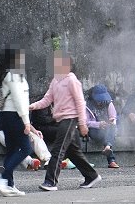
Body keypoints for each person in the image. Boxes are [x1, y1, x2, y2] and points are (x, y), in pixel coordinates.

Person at [31, 52, 100, 191]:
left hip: (69, 119)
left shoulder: (72, 80)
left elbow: (80, 102)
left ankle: (50, 181)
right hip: (61, 119)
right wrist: (32, 106)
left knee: (58, 149)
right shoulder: (55, 81)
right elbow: (47, 99)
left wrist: (82, 123)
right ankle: (92, 176)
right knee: (72, 151)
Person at [0, 48, 42, 197]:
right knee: (25, 149)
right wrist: (26, 122)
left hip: (7, 116)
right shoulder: (14, 75)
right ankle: (3, 178)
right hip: (15, 116)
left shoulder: (8, 75)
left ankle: (9, 183)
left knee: (12, 150)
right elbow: (20, 100)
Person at [86, 84, 118, 168]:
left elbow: (113, 117)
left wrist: (111, 121)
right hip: (93, 129)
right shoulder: (87, 104)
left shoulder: (108, 102)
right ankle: (111, 160)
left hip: (106, 128)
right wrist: (98, 124)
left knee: (111, 128)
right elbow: (85, 122)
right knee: (106, 134)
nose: (101, 102)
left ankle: (107, 147)